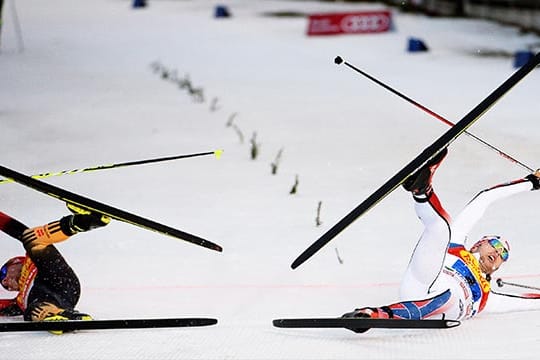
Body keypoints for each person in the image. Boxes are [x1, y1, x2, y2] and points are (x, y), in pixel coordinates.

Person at [342, 147, 540, 325]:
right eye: (495, 245)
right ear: (478, 244)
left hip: (444, 304)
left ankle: (371, 315)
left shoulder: (488, 298)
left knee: (450, 296)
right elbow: (485, 198)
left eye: (503, 256)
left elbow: (530, 303)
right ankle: (422, 189)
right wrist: (530, 182)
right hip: (421, 281)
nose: (498, 253)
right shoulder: (457, 245)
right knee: (442, 229)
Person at [0, 204, 110, 328]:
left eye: (3, 273)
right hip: (63, 295)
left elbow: (14, 228)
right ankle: (60, 315)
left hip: (58, 278)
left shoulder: (30, 260)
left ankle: (87, 220)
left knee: (30, 238)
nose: (5, 282)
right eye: (5, 287)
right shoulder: (19, 301)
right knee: (31, 310)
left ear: (15, 261)